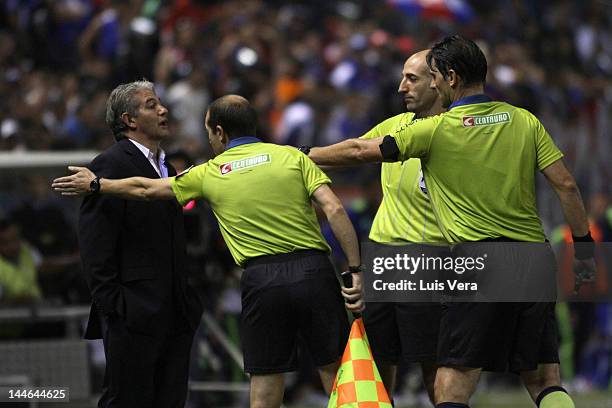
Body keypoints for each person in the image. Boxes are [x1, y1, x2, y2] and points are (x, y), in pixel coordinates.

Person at [293, 35, 596, 408]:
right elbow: (566, 185)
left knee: (450, 387)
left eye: (432, 76)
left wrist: (301, 154)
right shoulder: (524, 120)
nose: (431, 84)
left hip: (478, 260)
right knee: (544, 379)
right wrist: (584, 250)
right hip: (534, 259)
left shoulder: (436, 129)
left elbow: (360, 151)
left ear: (451, 78)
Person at [53, 94, 364, 408]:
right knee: (337, 373)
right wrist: (354, 269)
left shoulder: (211, 171)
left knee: (267, 380)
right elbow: (335, 209)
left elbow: (146, 189)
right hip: (315, 271)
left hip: (262, 280)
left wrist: (97, 185)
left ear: (219, 133)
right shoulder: (289, 156)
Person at [315, 49, 446, 404]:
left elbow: (358, 152)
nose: (402, 86)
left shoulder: (452, 132)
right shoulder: (393, 125)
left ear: (439, 82)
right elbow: (352, 148)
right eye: (402, 77)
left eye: (412, 79)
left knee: (433, 363)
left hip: (428, 258)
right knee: (377, 360)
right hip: (384, 257)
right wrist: (298, 155)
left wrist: (297, 153)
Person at [75, 80, 203, 408]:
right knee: (127, 400)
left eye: (159, 103)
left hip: (174, 312)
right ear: (129, 120)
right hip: (133, 313)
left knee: (170, 400)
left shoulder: (168, 168)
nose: (163, 110)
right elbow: (95, 243)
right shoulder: (110, 165)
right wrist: (114, 309)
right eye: (151, 105)